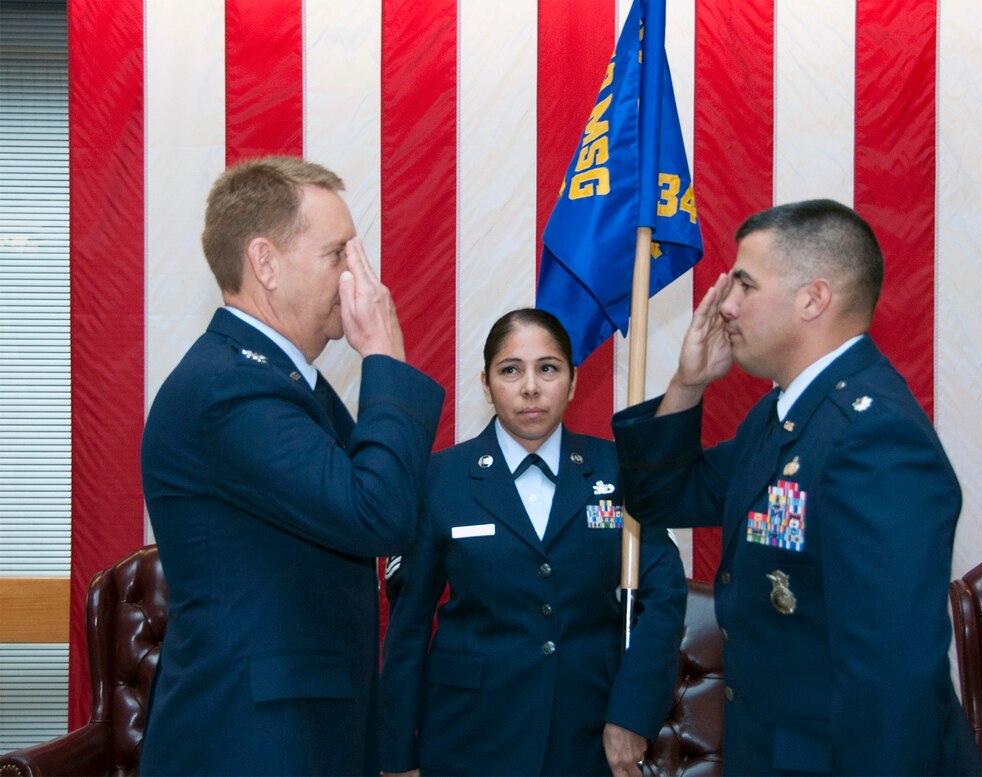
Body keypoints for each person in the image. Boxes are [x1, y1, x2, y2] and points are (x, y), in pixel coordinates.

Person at [611, 200, 982, 776]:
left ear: (813, 299)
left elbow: (892, 677)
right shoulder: (783, 417)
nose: (726, 307)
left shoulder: (873, 436)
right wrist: (687, 385)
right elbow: (663, 499)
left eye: (744, 285)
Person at [139, 156, 444, 775]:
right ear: (265, 263)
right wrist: (384, 355)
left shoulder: (282, 381)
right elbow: (376, 512)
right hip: (253, 741)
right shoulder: (231, 388)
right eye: (339, 255)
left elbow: (398, 501)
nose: (363, 279)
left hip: (308, 729)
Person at [380, 309, 687, 777]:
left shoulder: (618, 471)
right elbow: (408, 627)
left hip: (589, 738)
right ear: (486, 383)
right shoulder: (439, 479)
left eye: (548, 368)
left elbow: (663, 598)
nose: (530, 387)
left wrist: (632, 713)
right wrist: (396, 756)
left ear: (573, 379)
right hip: (470, 738)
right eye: (511, 370)